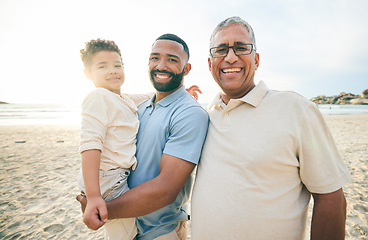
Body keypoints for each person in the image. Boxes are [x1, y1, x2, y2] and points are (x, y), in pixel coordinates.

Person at [191, 16, 351, 240]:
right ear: (210, 64)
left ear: (256, 60)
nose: (230, 57)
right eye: (221, 50)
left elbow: (331, 198)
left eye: (240, 48)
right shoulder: (202, 117)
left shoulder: (297, 110)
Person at [77, 33, 209, 240]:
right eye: (155, 58)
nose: (161, 65)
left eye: (172, 60)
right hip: (129, 224)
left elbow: (165, 190)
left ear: (187, 69)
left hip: (159, 232)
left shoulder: (190, 113)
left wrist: (101, 210)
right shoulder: (140, 107)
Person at [78, 38, 152, 240]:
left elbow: (146, 96)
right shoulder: (98, 97)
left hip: (115, 176)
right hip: (107, 179)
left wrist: (177, 93)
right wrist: (94, 197)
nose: (112, 70)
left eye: (117, 65)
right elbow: (91, 145)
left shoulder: (122, 98)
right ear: (88, 74)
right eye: (103, 66)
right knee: (125, 235)